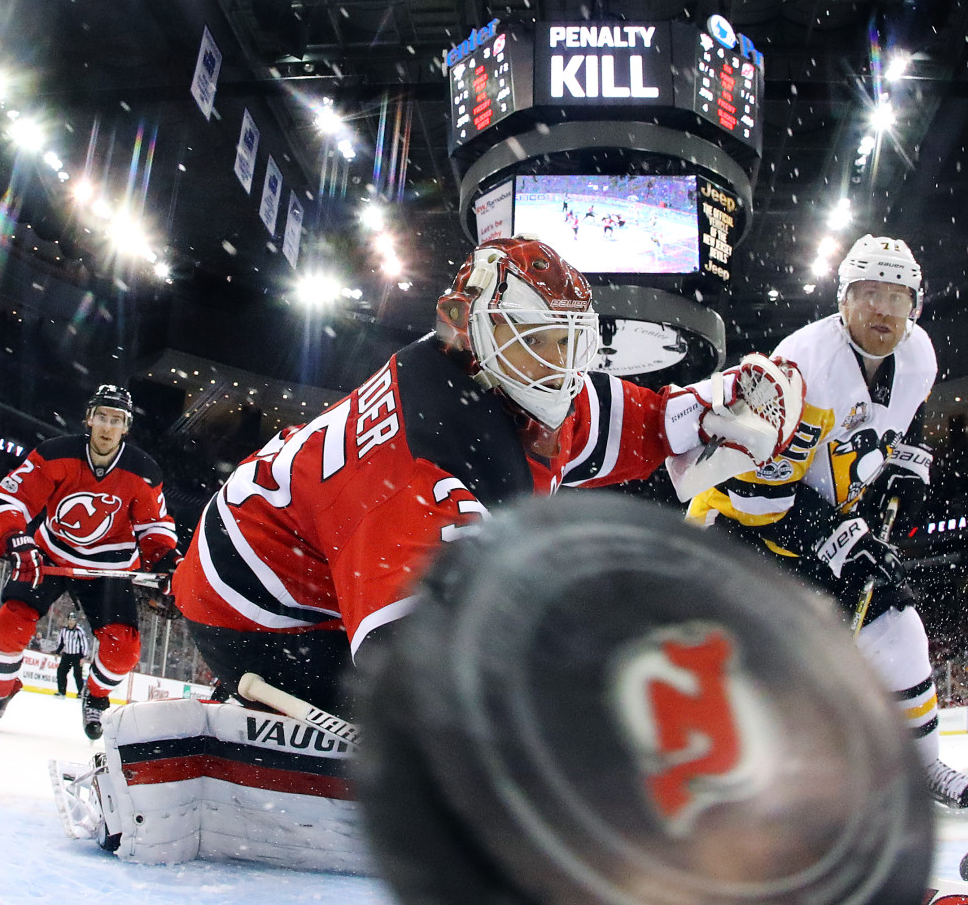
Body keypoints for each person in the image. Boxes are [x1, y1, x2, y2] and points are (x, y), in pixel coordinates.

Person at [56, 237, 802, 870]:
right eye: (541, 342)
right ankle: (194, 757)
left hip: (308, 559)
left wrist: (707, 409)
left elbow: (609, 420)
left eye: (568, 342)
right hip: (255, 614)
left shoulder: (498, 375)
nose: (562, 365)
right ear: (469, 328)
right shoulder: (422, 464)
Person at [685, 234, 968, 818]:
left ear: (915, 308)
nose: (882, 310)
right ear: (842, 301)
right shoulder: (803, 369)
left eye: (897, 298)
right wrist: (842, 537)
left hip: (818, 514)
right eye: (869, 294)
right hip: (738, 528)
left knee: (899, 629)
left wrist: (904, 463)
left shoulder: (919, 356)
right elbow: (758, 494)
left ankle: (922, 769)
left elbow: (898, 424)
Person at [0, 386, 179, 739]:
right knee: (8, 625)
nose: (107, 426)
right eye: (102, 416)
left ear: (126, 427)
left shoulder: (143, 471)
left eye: (116, 420)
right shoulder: (54, 454)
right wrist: (16, 536)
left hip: (110, 567)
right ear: (89, 419)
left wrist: (165, 562)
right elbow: (12, 498)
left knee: (123, 651)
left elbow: (155, 528)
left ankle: (97, 697)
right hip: (51, 553)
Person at [54, 610, 90, 698]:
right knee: (61, 672)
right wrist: (57, 652)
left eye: (73, 620)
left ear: (75, 621)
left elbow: (84, 644)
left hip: (77, 655)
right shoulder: (64, 631)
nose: (71, 622)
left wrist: (83, 657)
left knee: (77, 674)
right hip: (67, 654)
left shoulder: (79, 631)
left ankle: (81, 692)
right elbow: (61, 643)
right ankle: (62, 691)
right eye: (69, 619)